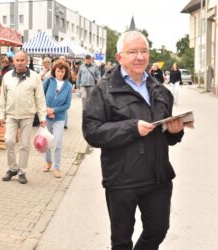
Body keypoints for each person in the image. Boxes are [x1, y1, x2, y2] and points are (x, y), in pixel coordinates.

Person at [83, 31, 185, 250]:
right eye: (133, 52)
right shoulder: (104, 90)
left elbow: (167, 137)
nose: (140, 57)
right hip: (122, 179)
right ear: (120, 57)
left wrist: (175, 132)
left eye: (144, 51)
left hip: (158, 177)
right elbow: (92, 132)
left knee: (158, 230)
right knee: (121, 241)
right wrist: (131, 128)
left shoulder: (160, 90)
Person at [0, 50, 47, 184]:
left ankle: (22, 171)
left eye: (22, 60)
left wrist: (42, 117)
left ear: (26, 61)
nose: (19, 63)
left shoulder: (35, 77)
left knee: (25, 145)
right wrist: (1, 115)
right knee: (9, 141)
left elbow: (40, 98)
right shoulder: (7, 76)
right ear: (13, 61)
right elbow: (3, 97)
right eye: (17, 60)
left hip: (27, 115)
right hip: (11, 115)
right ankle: (12, 168)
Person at [42, 60, 72, 178]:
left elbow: (67, 105)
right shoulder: (49, 81)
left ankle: (57, 167)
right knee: (47, 141)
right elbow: (40, 96)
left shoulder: (68, 86)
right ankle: (48, 161)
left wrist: (54, 110)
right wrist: (46, 110)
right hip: (46, 116)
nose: (60, 73)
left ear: (66, 72)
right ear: (54, 71)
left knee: (58, 142)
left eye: (62, 71)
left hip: (59, 117)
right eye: (58, 71)